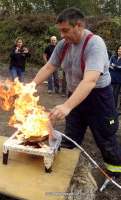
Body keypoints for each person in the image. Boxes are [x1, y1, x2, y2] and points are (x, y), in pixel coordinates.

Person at [33, 7, 121, 186]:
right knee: (71, 133)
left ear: (78, 26)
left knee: (105, 135)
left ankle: (115, 172)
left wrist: (67, 106)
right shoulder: (63, 45)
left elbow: (90, 80)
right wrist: (30, 86)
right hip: (75, 94)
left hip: (98, 98)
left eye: (66, 30)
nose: (62, 35)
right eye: (60, 31)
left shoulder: (94, 43)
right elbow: (49, 67)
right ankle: (66, 165)